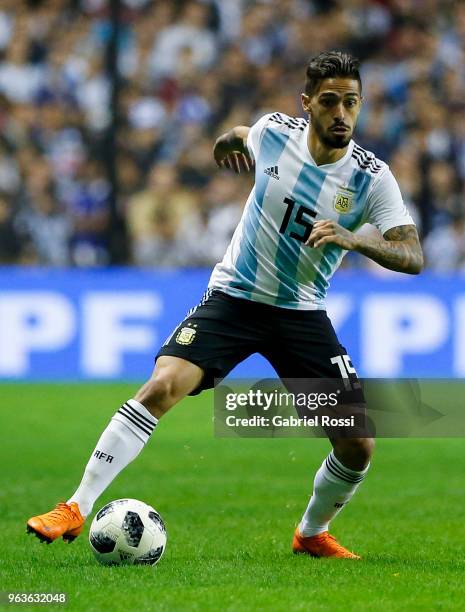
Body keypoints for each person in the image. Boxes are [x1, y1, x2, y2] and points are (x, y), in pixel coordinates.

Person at [27, 51, 423, 559]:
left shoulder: (372, 177)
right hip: (234, 297)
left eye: (352, 103)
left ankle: (310, 533)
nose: (341, 114)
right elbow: (239, 135)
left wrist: (355, 240)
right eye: (329, 102)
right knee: (162, 385)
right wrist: (222, 146)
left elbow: (411, 254)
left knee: (357, 444)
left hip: (301, 313)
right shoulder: (274, 132)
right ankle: (75, 507)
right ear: (307, 104)